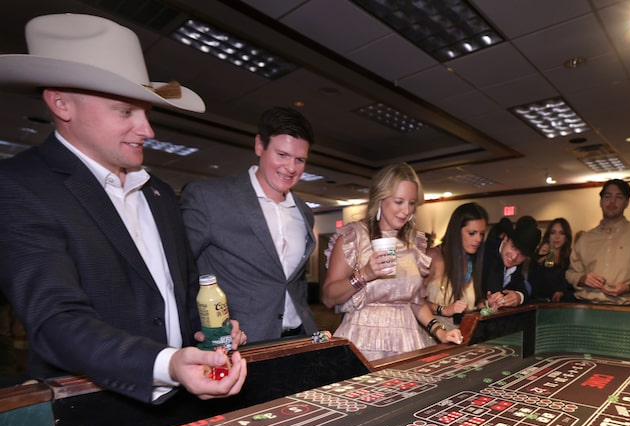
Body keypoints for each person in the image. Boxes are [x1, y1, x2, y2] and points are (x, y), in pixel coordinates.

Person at [0, 14, 247, 403]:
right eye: (125, 111)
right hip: (94, 409)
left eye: (147, 112)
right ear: (62, 104)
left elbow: (178, 295)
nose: (147, 130)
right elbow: (55, 321)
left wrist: (211, 331)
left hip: (182, 399)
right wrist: (165, 364)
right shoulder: (19, 185)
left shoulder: (159, 191)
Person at [181, 107, 318, 343]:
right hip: (239, 342)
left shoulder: (304, 211)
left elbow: (294, 282)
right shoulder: (210, 198)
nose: (291, 167)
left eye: (300, 159)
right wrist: (206, 324)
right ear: (259, 146)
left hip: (299, 337)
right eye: (282, 155)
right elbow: (178, 273)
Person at [321, 163, 462, 362]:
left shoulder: (414, 243)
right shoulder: (355, 236)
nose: (406, 211)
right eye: (399, 201)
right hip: (363, 341)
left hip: (407, 340)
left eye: (411, 203)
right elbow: (328, 297)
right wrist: (366, 274)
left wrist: (440, 332)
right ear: (380, 198)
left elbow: (414, 301)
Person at [566, 179, 630, 304]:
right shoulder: (585, 239)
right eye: (607, 196)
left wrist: (629, 287)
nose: (612, 201)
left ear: (627, 203)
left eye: (619, 197)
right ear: (601, 201)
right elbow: (571, 273)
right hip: (586, 306)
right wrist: (583, 278)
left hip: (627, 309)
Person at [426, 203, 489, 328]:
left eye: (481, 234)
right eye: (472, 233)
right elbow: (412, 302)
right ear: (456, 231)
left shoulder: (472, 259)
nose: (478, 239)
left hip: (463, 339)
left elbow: (472, 305)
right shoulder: (433, 257)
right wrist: (443, 310)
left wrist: (488, 305)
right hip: (432, 338)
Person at [480, 216, 541, 309]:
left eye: (522, 254)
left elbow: (521, 287)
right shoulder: (486, 253)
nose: (514, 257)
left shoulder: (517, 265)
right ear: (505, 238)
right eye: (513, 247)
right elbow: (493, 290)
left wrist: (518, 297)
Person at [528, 217, 574, 303]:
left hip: (564, 305)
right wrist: (539, 262)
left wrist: (562, 293)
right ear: (548, 235)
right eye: (553, 233)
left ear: (566, 237)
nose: (557, 237)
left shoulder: (571, 257)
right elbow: (532, 285)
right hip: (541, 304)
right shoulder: (538, 254)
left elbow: (573, 286)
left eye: (561, 233)